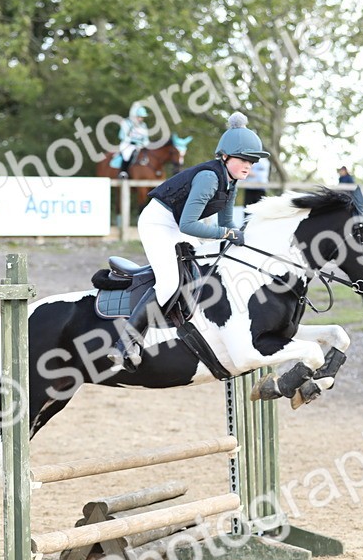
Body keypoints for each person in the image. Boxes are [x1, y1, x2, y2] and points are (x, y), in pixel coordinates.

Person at [108, 111, 269, 372]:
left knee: (200, 268)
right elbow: (189, 225)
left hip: (176, 222)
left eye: (252, 161)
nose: (248, 165)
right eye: (243, 159)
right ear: (225, 157)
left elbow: (226, 224)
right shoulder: (209, 177)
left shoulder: (231, 182)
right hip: (158, 222)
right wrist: (227, 235)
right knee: (170, 282)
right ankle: (124, 343)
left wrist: (244, 239)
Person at [115, 105, 151, 176]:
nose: (141, 119)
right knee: (127, 155)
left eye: (142, 117)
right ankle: (123, 172)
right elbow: (122, 136)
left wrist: (145, 143)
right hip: (127, 145)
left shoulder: (144, 125)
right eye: (139, 117)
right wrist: (133, 141)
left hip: (139, 146)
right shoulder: (127, 123)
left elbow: (146, 139)